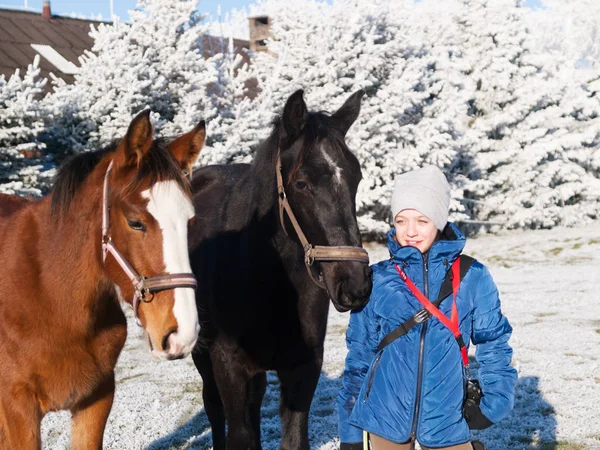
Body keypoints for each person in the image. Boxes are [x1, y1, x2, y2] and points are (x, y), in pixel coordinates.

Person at [337, 166, 517, 450]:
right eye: (401, 220)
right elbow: (359, 357)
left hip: (447, 419)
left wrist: (495, 403)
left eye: (422, 220)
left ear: (439, 220)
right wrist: (349, 431)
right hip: (385, 418)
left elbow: (493, 341)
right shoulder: (377, 278)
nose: (409, 232)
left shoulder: (472, 275)